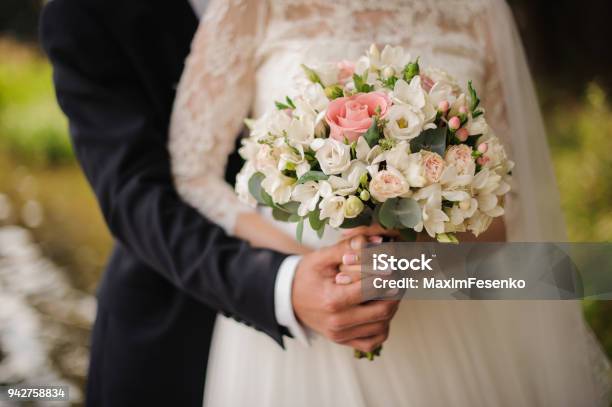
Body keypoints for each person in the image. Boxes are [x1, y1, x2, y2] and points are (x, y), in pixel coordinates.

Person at [168, 0, 611, 406]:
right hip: (298, 314)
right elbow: (193, 173)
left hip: (449, 324)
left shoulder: (476, 11)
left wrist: (410, 265)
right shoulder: (254, 6)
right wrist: (312, 273)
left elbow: (507, 199)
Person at [40, 0, 399, 406]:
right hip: (179, 319)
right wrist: (285, 285)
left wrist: (411, 272)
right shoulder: (86, 13)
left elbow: (483, 252)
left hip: (419, 312)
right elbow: (135, 196)